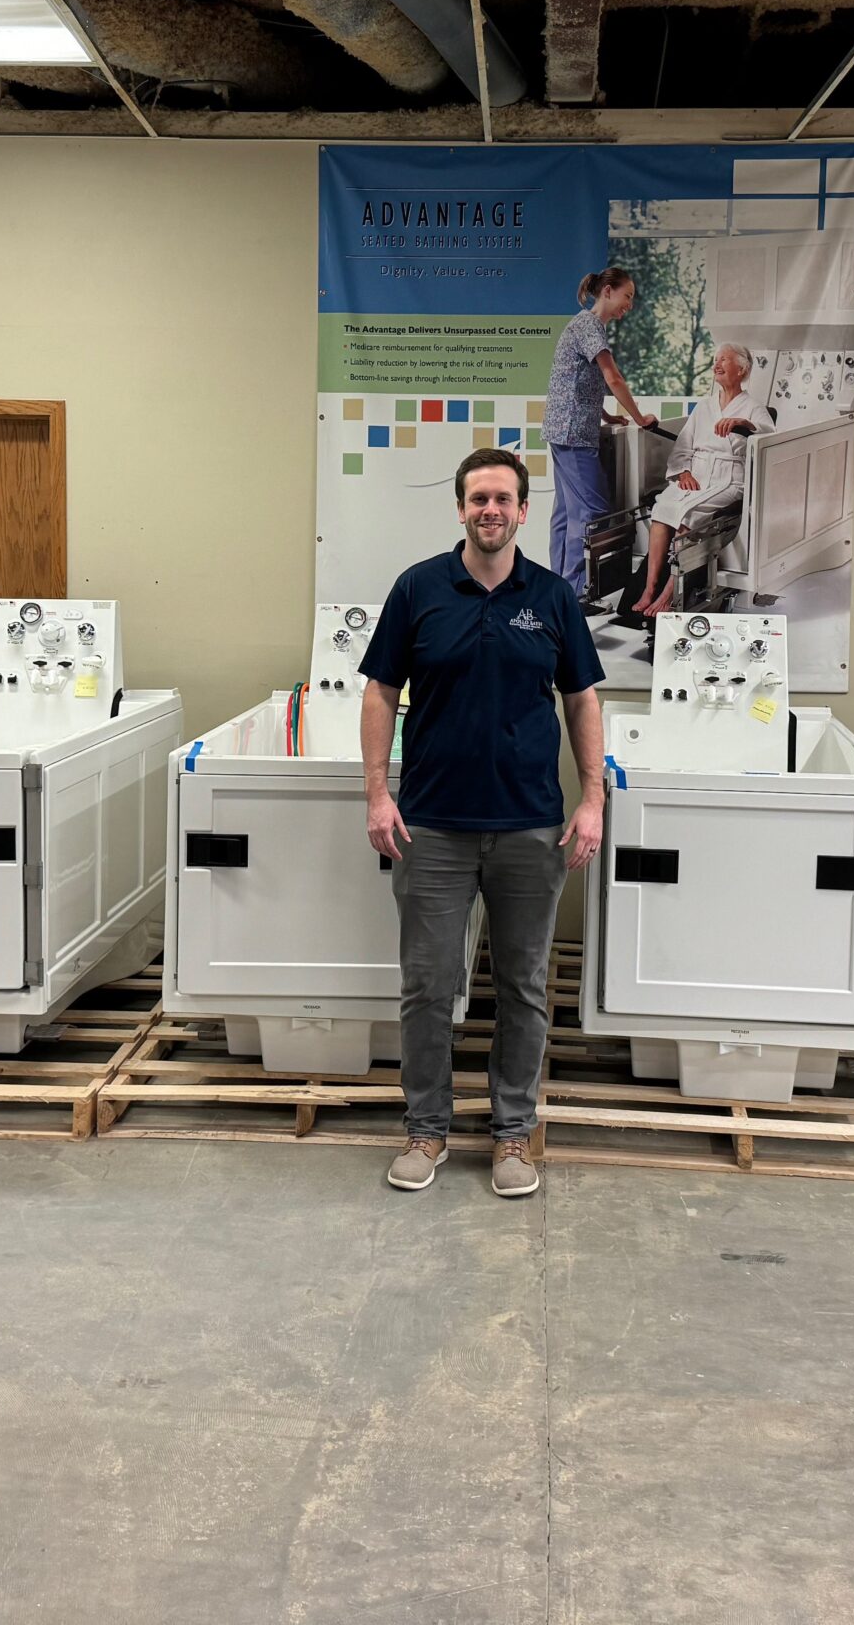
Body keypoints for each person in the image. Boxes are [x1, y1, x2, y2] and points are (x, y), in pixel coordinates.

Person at [360, 448, 606, 1200]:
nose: (490, 509)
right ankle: (426, 1129)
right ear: (461, 508)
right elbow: (379, 695)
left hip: (531, 827)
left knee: (525, 988)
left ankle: (510, 1137)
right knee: (428, 987)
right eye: (478, 498)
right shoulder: (419, 589)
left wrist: (591, 799)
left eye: (504, 497)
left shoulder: (555, 597)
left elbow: (582, 702)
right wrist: (377, 792)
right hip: (431, 826)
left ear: (524, 510)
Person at [542, 267, 656, 586]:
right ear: (607, 291)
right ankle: (576, 591)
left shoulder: (584, 326)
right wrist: (638, 417)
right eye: (627, 296)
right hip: (573, 433)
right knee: (592, 511)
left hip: (563, 429)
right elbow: (613, 378)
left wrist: (607, 417)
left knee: (567, 512)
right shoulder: (589, 325)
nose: (629, 305)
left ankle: (558, 586)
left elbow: (579, 382)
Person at [635, 344, 764, 615]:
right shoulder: (704, 406)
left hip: (729, 479)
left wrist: (745, 424)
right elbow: (684, 444)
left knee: (688, 517)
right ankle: (649, 589)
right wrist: (683, 472)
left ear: (741, 370)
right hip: (696, 473)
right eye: (715, 360)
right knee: (663, 508)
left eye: (724, 360)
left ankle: (669, 596)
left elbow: (768, 436)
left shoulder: (753, 407)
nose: (716, 364)